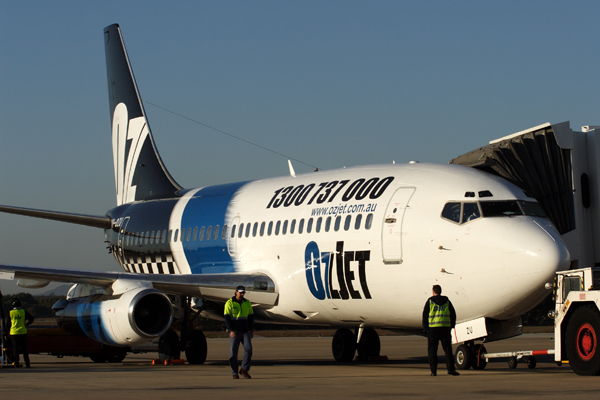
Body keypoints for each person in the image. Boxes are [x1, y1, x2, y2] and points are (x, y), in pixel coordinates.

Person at [422, 284, 459, 376]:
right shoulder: (447, 301)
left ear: (433, 292)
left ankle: (433, 371)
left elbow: (425, 315)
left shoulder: (430, 302)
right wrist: (452, 325)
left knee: (432, 351)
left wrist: (425, 328)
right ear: (440, 291)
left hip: (433, 329)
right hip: (445, 329)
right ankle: (451, 369)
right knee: (447, 350)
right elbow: (453, 314)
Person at [224, 285, 255, 379]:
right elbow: (227, 317)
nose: (242, 294)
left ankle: (244, 369)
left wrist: (251, 330)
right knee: (233, 353)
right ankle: (234, 372)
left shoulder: (247, 302)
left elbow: (251, 317)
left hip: (245, 330)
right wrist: (230, 330)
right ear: (236, 292)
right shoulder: (229, 303)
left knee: (248, 349)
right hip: (235, 331)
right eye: (240, 292)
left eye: (243, 293)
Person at [9, 299, 35, 368]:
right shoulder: (23, 311)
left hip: (14, 333)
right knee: (24, 349)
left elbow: (8, 324)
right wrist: (27, 324)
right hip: (22, 332)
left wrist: (5, 333)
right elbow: (31, 318)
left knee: (15, 349)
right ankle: (27, 363)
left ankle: (16, 363)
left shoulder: (11, 313)